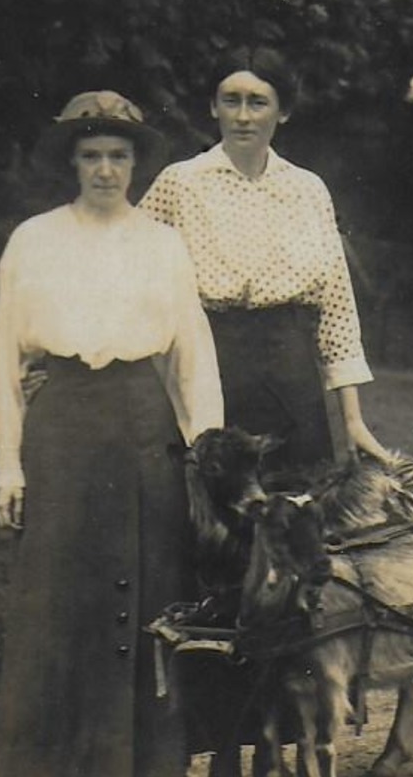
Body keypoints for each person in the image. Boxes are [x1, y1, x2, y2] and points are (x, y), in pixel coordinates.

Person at [0, 90, 224, 777]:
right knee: (55, 599)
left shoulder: (161, 244)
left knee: (142, 594)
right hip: (60, 423)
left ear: (134, 165)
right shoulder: (33, 240)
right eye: (91, 156)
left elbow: (193, 355)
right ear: (72, 163)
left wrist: (206, 451)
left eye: (118, 156)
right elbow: (1, 360)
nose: (105, 170)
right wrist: (8, 466)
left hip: (140, 421)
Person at [138, 46, 389, 488]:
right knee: (204, 518)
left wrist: (352, 420)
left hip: (289, 375)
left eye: (258, 102)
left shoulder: (308, 190)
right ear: (213, 106)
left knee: (293, 517)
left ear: (283, 111)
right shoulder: (181, 183)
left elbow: (337, 312)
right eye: (231, 100)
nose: (243, 116)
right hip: (205, 365)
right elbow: (128, 273)